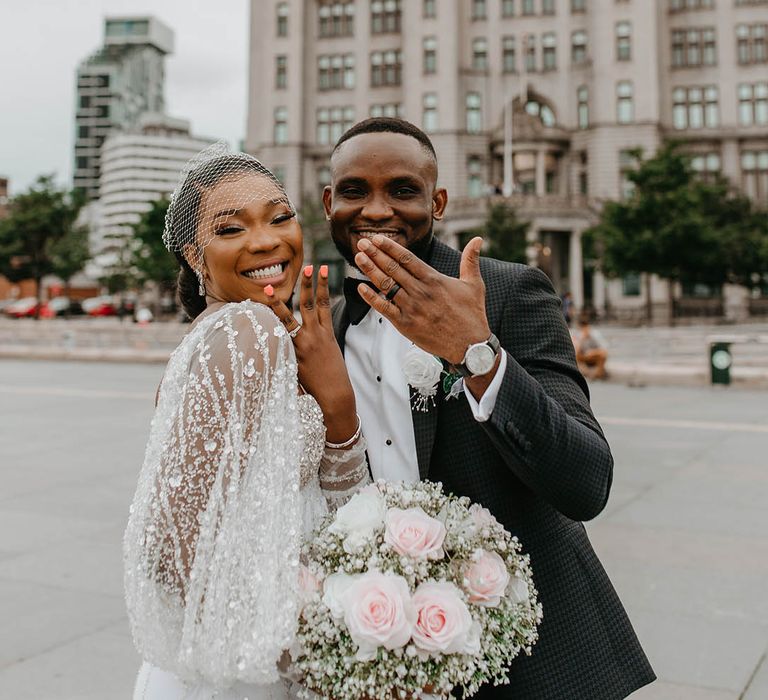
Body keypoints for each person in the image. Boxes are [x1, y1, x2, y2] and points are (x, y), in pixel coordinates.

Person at [324, 118, 655, 699]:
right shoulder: (326, 324)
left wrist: (476, 354)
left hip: (532, 657)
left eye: (402, 189)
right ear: (329, 202)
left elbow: (587, 483)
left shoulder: (511, 291)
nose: (376, 210)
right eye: (354, 190)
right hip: (387, 655)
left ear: (439, 201)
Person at [123, 146, 369, 700]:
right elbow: (171, 545)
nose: (266, 242)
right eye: (232, 228)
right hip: (244, 670)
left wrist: (336, 400)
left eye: (280, 217)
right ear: (193, 256)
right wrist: (305, 651)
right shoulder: (248, 332)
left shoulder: (261, 334)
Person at [573, 311, 609, 380]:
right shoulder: (578, 334)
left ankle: (598, 374)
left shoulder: (595, 334)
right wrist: (581, 339)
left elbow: (604, 348)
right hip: (583, 357)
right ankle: (587, 373)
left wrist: (593, 352)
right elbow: (575, 350)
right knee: (575, 355)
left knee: (603, 355)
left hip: (594, 355)